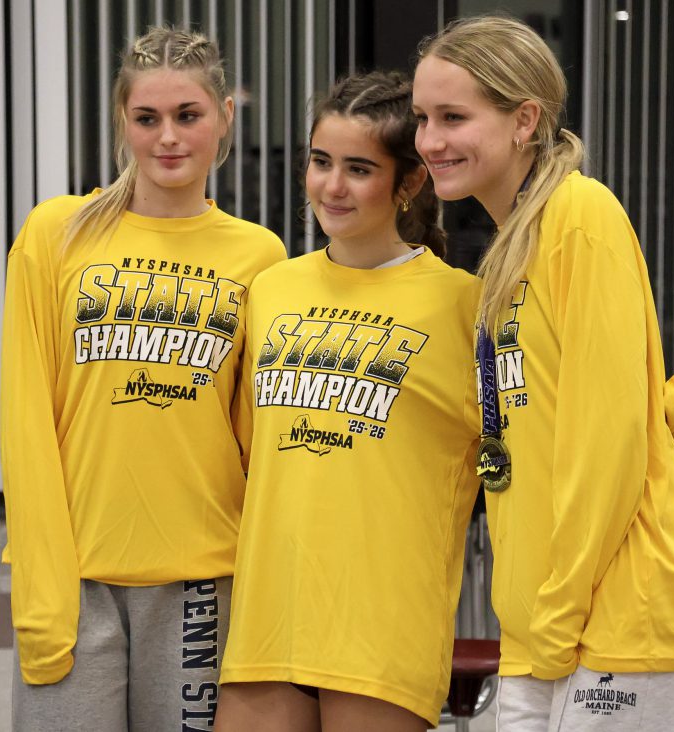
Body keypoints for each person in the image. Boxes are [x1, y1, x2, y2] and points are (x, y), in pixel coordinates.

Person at [412, 16, 674, 731]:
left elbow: (608, 446)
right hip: (550, 623)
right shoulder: (511, 248)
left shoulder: (581, 218)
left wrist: (555, 618)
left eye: (453, 117)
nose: (430, 141)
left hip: (626, 618)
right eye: (422, 118)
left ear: (524, 119)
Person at [0, 26, 285, 731]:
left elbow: (260, 438)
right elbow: (25, 415)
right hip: (77, 579)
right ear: (122, 121)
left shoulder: (260, 255)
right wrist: (42, 586)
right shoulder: (56, 233)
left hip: (200, 581)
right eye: (147, 118)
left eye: (187, 116)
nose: (168, 138)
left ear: (224, 117)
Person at [214, 71, 481, 732]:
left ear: (410, 182)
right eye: (320, 161)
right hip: (269, 623)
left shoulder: (464, 304)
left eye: (359, 168)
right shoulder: (271, 289)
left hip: (382, 631)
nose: (331, 186)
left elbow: (532, 442)